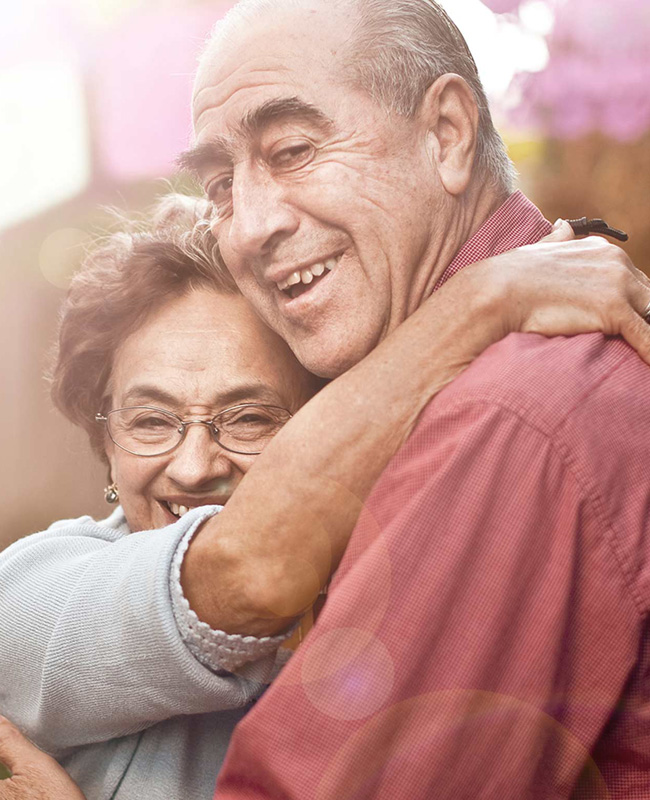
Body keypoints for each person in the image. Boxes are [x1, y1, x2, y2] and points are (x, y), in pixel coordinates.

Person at [2, 184, 650, 800]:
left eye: (250, 417)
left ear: (332, 425)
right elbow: (245, 571)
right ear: (105, 442)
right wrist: (491, 296)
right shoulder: (27, 598)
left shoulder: (404, 588)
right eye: (150, 422)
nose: (194, 466)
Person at [180, 0, 650, 797]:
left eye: (292, 150)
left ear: (448, 135)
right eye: (222, 185)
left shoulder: (511, 412)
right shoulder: (489, 372)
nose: (252, 225)